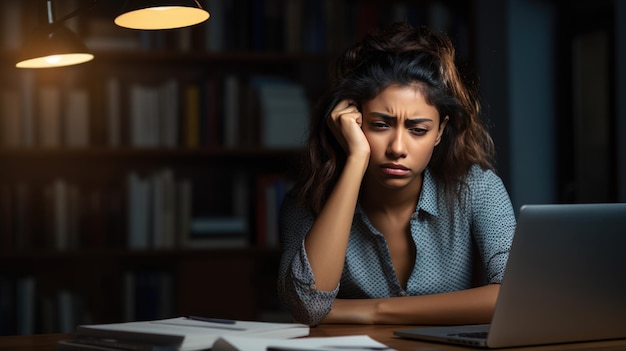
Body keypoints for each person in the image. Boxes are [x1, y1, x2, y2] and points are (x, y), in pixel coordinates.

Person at [277, 22, 516, 326]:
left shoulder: (477, 189)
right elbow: (307, 305)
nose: (398, 148)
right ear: (351, 121)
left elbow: (515, 296)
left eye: (418, 130)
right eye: (380, 125)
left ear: (440, 131)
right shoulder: (306, 202)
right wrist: (356, 159)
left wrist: (372, 311)